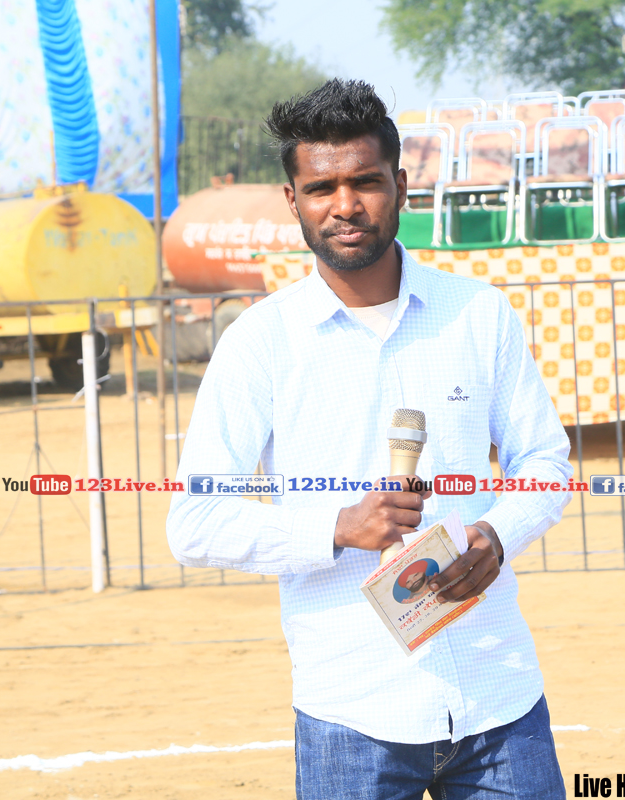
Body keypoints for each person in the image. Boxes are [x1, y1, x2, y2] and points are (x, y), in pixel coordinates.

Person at [167, 78, 572, 800]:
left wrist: (498, 534)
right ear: (292, 200)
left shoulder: (477, 314)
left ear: (401, 186)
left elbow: (544, 461)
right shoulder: (261, 343)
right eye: (321, 188)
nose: (345, 205)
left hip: (497, 696)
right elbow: (194, 521)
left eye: (365, 182)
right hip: (352, 712)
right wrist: (337, 527)